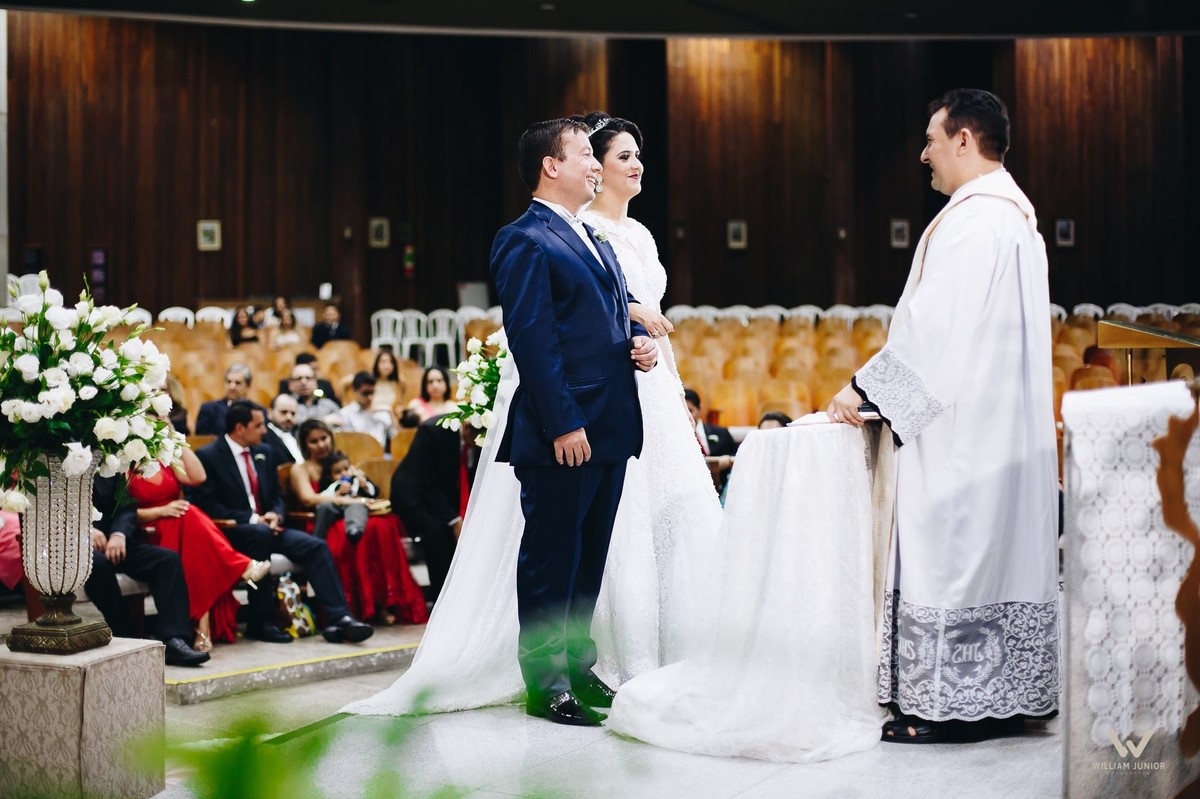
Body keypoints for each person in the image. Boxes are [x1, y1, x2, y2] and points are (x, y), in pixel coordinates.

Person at [344, 115, 720, 728]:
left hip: (612, 425)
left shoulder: (594, 238)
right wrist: (563, 423)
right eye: (585, 155)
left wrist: (637, 345)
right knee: (552, 559)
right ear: (551, 165)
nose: (595, 166)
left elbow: (603, 319)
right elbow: (533, 338)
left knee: (588, 559)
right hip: (563, 431)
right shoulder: (524, 238)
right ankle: (546, 682)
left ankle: (578, 665)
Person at [827, 89, 1059, 743]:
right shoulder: (1015, 218)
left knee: (955, 556)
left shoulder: (976, 220)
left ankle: (948, 708)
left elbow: (935, 329)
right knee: (999, 555)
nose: (924, 155)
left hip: (963, 434)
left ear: (964, 139)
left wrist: (862, 389)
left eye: (931, 140)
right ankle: (1005, 698)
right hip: (1000, 426)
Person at [188, 400, 376, 645]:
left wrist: (275, 514)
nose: (264, 430)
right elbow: (207, 504)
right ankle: (261, 620)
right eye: (258, 425)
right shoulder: (209, 456)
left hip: (269, 527)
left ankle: (339, 618)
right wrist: (254, 518)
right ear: (240, 428)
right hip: (231, 531)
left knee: (315, 547)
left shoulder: (265, 452)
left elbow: (277, 496)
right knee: (260, 535)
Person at [128, 446, 272, 651]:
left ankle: (203, 626)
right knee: (190, 517)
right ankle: (241, 566)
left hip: (180, 526)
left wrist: (177, 441)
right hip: (150, 530)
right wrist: (162, 511)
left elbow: (198, 477)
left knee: (192, 538)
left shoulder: (164, 458)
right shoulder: (123, 464)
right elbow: (124, 514)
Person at [289, 418, 429, 626]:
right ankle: (357, 607)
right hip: (322, 521)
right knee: (356, 534)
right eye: (314, 441)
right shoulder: (300, 469)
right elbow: (309, 499)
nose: (321, 445)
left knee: (384, 524)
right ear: (304, 444)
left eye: (324, 438)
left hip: (351, 514)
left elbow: (365, 490)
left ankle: (385, 602)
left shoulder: (340, 462)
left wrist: (361, 488)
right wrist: (348, 500)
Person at [84, 474, 210, 666]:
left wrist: (119, 534)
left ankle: (174, 639)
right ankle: (126, 636)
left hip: (114, 540)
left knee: (167, 560)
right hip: (75, 545)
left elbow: (126, 508)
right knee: (98, 564)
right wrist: (84, 530)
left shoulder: (107, 465)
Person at [389, 415, 472, 604]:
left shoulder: (479, 442)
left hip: (444, 495)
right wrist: (454, 519)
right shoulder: (433, 430)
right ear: (467, 428)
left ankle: (463, 594)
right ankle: (441, 599)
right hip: (413, 495)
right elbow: (424, 483)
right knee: (439, 533)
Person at [684, 388, 737, 493]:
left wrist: (727, 461)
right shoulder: (672, 439)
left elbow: (737, 455)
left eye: (690, 411)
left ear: (699, 409)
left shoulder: (721, 434)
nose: (687, 416)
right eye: (682, 412)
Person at [195, 364, 254, 436]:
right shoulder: (208, 409)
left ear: (248, 386)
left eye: (238, 383)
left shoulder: (257, 411)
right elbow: (201, 439)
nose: (232, 387)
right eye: (229, 382)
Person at [341, 371, 394, 448]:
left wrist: (391, 413)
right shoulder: (345, 413)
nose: (370, 397)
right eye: (365, 393)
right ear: (355, 390)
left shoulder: (382, 411)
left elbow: (395, 438)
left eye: (372, 393)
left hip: (381, 453)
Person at [265, 393, 304, 464]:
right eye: (283, 412)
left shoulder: (298, 435)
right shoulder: (263, 437)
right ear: (269, 413)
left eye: (293, 413)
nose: (289, 417)